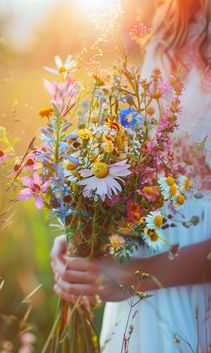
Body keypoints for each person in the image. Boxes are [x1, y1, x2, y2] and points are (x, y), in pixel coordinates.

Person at [51, 0, 211, 351]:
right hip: (144, 269)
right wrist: (85, 236)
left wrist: (132, 276)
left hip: (185, 287)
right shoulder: (168, 29)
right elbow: (148, 168)